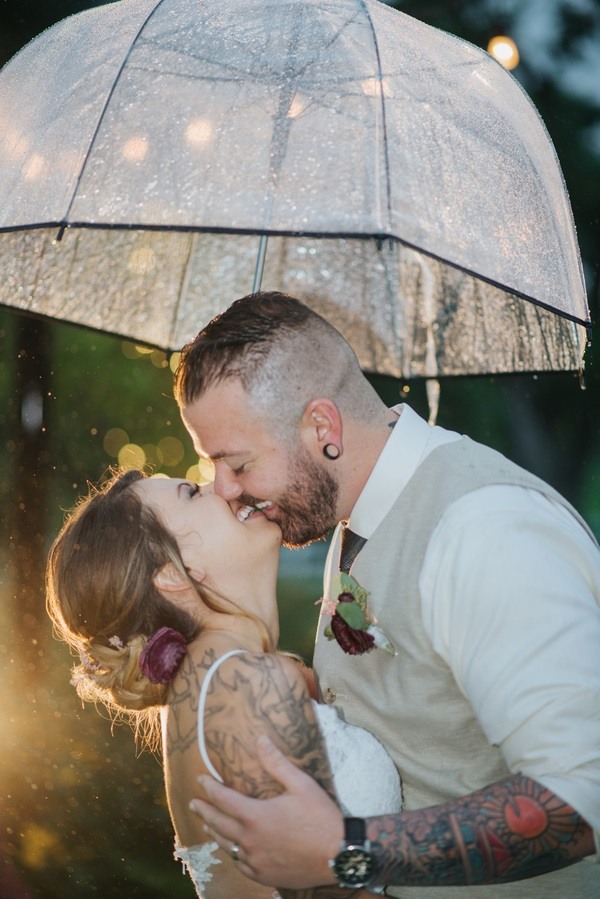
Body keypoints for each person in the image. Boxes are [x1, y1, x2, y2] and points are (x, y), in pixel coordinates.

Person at [173, 291, 600, 897]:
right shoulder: (356, 511)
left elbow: (583, 802)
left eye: (237, 463)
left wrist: (345, 852)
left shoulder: (483, 530)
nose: (223, 490)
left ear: (322, 427)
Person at [46, 468, 402, 899]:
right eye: (193, 493)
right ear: (175, 574)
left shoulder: (209, 690)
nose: (222, 486)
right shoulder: (245, 687)